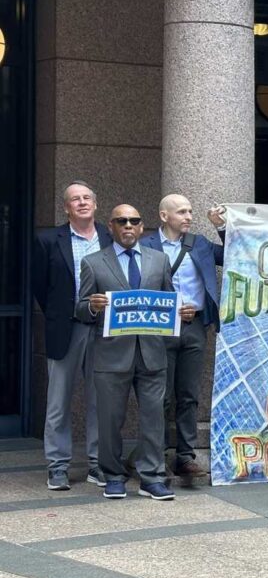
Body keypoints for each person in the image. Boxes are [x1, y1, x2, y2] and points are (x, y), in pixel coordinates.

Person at [76, 204, 189, 501]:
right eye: (121, 221)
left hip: (152, 353)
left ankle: (151, 478)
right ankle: (113, 475)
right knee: (110, 420)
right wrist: (92, 306)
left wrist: (182, 312)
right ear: (111, 227)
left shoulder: (159, 260)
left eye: (134, 221)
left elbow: (167, 300)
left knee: (154, 418)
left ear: (142, 228)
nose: (128, 225)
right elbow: (80, 308)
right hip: (111, 356)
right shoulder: (93, 262)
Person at [138, 194, 225, 484]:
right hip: (160, 327)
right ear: (164, 216)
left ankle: (185, 456)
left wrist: (220, 228)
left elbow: (233, 255)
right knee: (160, 395)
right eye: (181, 212)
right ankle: (157, 455)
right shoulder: (146, 245)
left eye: (190, 211)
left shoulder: (199, 243)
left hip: (195, 326)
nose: (188, 216)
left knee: (188, 395)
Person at [31, 182, 111, 491]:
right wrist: (62, 314)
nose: (81, 203)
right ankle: (58, 466)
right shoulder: (48, 240)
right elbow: (41, 286)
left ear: (95, 203)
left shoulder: (110, 237)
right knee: (58, 402)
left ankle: (97, 463)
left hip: (104, 330)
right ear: (66, 207)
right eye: (75, 199)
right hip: (66, 329)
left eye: (86, 198)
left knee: (101, 400)